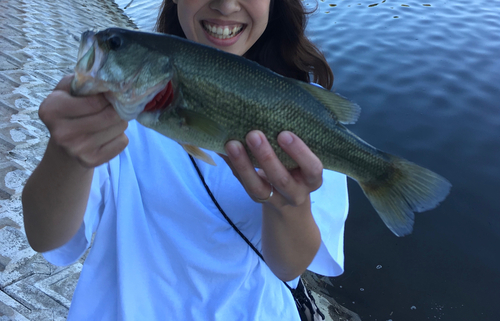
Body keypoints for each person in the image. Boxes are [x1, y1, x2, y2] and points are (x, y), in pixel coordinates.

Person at [21, 0, 349, 319]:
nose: (226, 5)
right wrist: (67, 155)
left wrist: (289, 203)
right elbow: (46, 237)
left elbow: (289, 267)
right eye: (117, 45)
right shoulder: (110, 114)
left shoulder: (304, 119)